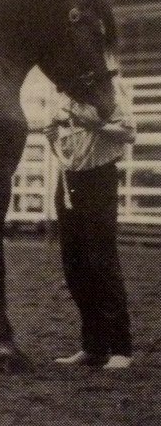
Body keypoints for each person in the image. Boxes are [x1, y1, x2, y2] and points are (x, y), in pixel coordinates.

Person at [44, 89, 136, 369]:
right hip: (68, 179)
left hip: (98, 179)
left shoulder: (107, 92)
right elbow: (63, 143)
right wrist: (52, 135)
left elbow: (129, 133)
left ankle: (121, 347)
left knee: (101, 262)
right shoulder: (62, 97)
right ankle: (93, 346)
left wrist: (95, 125)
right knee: (74, 266)